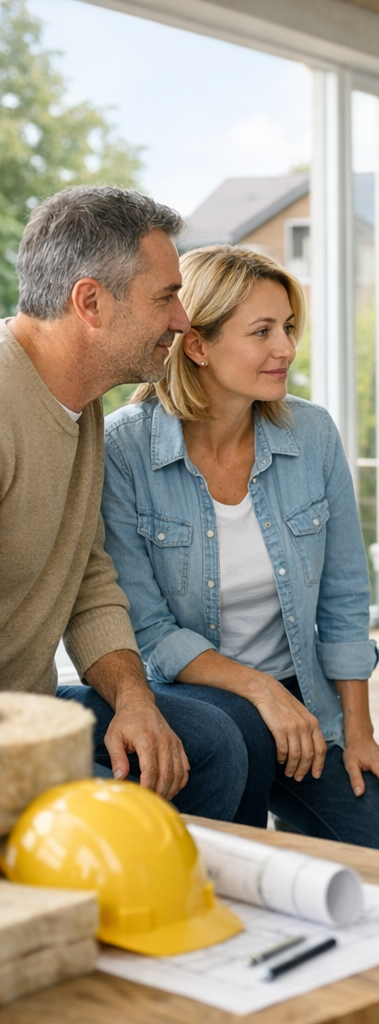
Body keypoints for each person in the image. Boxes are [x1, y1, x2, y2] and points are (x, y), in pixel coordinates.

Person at [101, 244, 379, 849]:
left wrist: (359, 732)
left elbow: (344, 595)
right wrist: (260, 690)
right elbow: (148, 630)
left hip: (304, 702)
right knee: (240, 858)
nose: (286, 349)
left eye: (288, 328)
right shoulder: (124, 451)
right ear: (198, 344)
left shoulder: (312, 433)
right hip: (198, 706)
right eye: (262, 331)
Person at [0, 185, 246, 820]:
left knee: (213, 741)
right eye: (165, 297)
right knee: (120, 814)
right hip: (9, 734)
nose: (183, 321)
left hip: (36, 706)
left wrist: (134, 700)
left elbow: (86, 574)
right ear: (90, 302)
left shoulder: (81, 406)